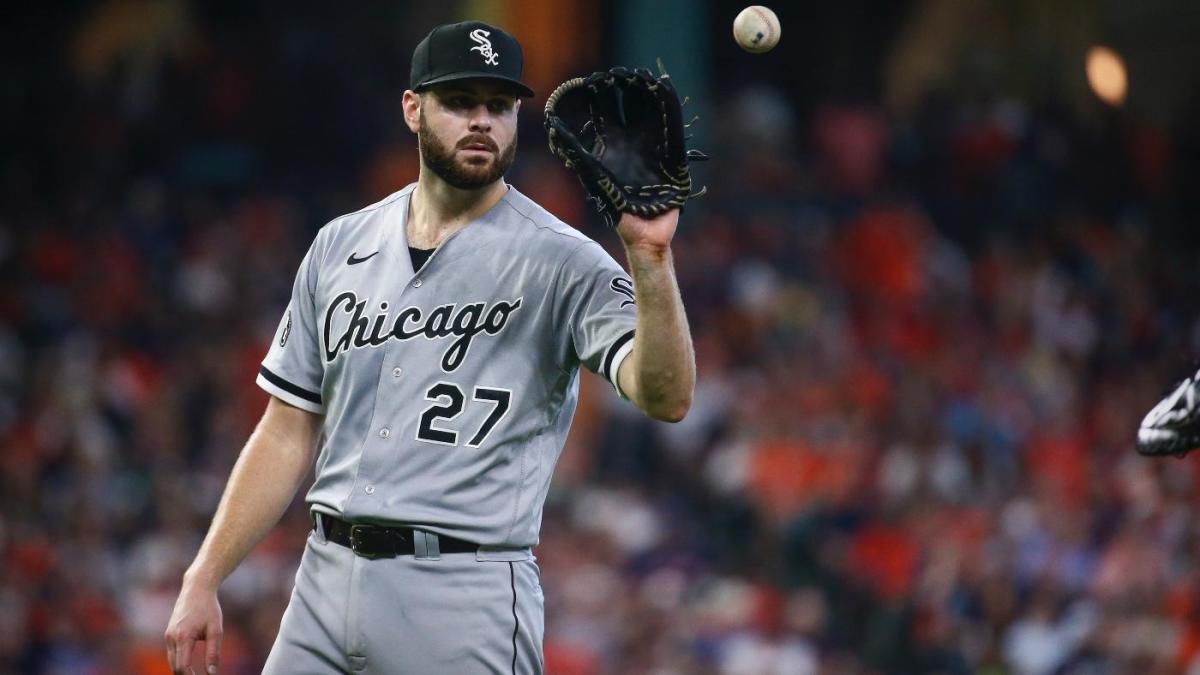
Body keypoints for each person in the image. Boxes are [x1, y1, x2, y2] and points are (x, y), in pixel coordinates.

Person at [163, 20, 695, 675]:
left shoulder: (565, 262)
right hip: (324, 580)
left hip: (464, 590)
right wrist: (204, 574)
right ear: (413, 109)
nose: (481, 120)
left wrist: (650, 256)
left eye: (499, 106)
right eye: (459, 101)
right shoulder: (339, 245)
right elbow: (287, 429)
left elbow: (666, 395)